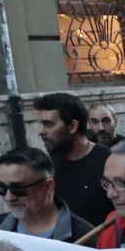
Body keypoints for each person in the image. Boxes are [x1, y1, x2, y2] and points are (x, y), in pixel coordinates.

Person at [36, 93, 114, 229]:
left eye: (48, 124)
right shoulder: (49, 166)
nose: (41, 131)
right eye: (41, 124)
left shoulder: (109, 161)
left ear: (72, 126)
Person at [0, 148, 88, 242]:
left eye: (18, 188)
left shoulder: (85, 236)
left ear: (48, 186)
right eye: (0, 188)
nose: (9, 198)